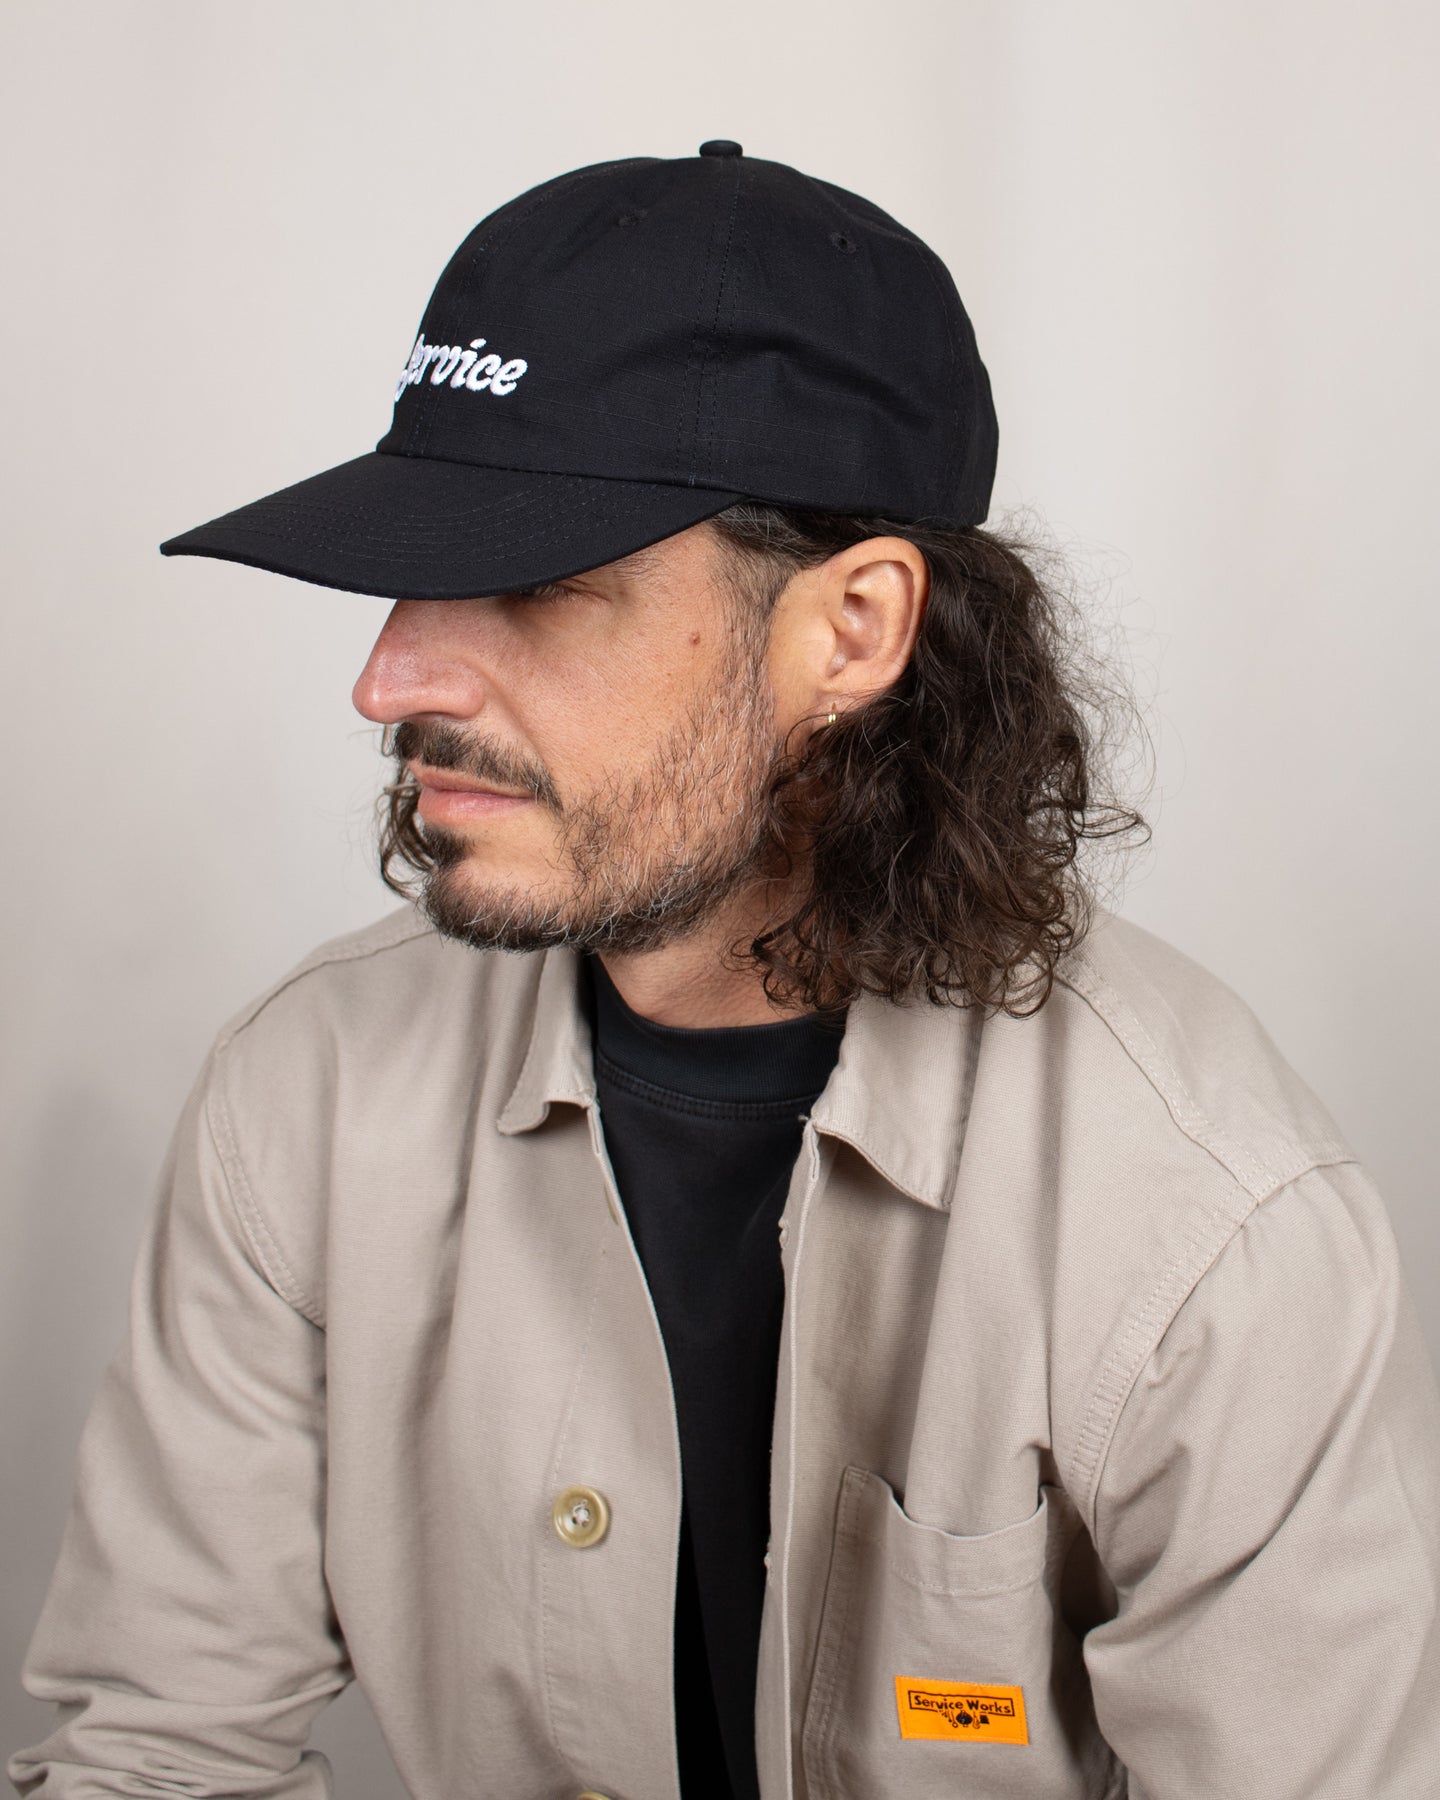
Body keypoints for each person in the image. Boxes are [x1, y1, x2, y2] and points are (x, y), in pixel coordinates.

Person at [9, 142, 1438, 1800]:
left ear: (853, 631)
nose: (388, 680)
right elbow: (158, 1755)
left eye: (538, 584)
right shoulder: (305, 1093)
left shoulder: (1207, 1220)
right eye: (414, 566)